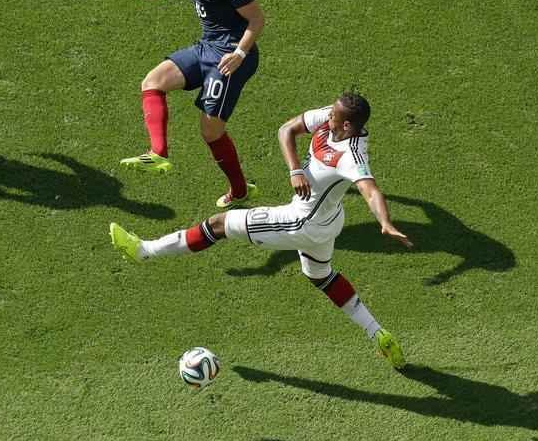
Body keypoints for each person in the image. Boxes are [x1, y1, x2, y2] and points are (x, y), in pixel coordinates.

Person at [111, 91, 412, 368]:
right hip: (327, 221)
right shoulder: (331, 117)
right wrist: (295, 169)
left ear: (347, 127)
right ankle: (378, 333)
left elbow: (370, 191)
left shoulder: (352, 156)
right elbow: (286, 129)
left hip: (301, 222)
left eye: (333, 116)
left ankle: (144, 251)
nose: (326, 116)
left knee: (219, 224)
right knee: (321, 276)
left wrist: (385, 223)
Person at [125, 0, 265, 207]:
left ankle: (240, 190)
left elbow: (257, 20)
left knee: (210, 132)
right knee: (152, 81)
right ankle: (158, 153)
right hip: (207, 46)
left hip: (231, 55)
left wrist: (239, 53)